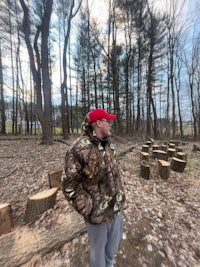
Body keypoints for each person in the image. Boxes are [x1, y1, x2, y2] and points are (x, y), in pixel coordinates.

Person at [62, 108, 126, 267]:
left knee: (111, 253)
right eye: (107, 120)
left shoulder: (110, 144)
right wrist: (88, 208)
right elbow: (69, 187)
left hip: (116, 210)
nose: (110, 124)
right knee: (98, 257)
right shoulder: (77, 150)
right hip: (97, 217)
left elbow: (114, 173)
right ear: (98, 123)